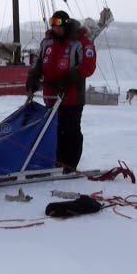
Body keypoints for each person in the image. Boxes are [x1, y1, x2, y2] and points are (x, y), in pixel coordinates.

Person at [26, 10, 96, 173]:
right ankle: (56, 162)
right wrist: (33, 78)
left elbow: (88, 66)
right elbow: (38, 63)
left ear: (65, 25)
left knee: (70, 132)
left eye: (58, 26)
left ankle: (70, 165)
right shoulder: (47, 42)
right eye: (53, 25)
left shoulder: (80, 42)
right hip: (51, 97)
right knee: (53, 132)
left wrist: (68, 78)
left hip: (71, 98)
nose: (55, 29)